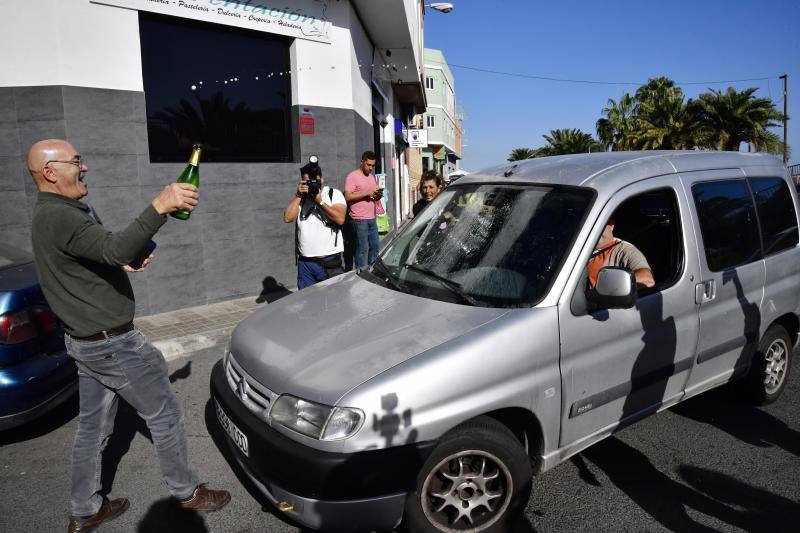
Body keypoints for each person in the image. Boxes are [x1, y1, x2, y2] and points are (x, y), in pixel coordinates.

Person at [26, 139, 230, 533]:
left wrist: (121, 262)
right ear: (50, 172)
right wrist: (160, 206)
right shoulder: (60, 215)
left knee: (93, 428)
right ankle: (187, 493)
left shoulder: (54, 212)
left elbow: (101, 253)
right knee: (165, 414)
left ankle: (85, 510)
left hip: (86, 342)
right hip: (113, 344)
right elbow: (114, 247)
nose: (84, 167)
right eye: (76, 161)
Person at [283, 159, 346, 289]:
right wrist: (298, 195)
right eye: (307, 182)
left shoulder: (333, 194)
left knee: (334, 298)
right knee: (306, 300)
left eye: (314, 181)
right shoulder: (301, 198)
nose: (311, 185)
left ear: (322, 179)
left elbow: (340, 219)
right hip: (305, 263)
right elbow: (288, 218)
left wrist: (319, 201)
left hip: (329, 262)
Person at [588, 218, 655, 290]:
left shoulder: (625, 250)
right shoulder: (583, 246)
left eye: (599, 226)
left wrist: (613, 287)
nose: (595, 231)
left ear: (612, 226)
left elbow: (647, 280)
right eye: (590, 227)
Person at [344, 151, 383, 268]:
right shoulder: (352, 176)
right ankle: (360, 272)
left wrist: (378, 195)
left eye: (372, 165)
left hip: (371, 218)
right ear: (362, 162)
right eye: (368, 165)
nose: (370, 168)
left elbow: (374, 194)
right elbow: (348, 196)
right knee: (362, 249)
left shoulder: (371, 177)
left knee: (375, 247)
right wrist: (366, 193)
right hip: (359, 219)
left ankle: (372, 270)